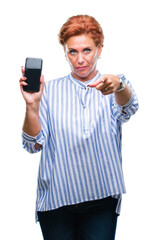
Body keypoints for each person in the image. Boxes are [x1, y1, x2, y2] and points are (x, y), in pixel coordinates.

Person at [20, 15, 139, 240]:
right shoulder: (49, 91)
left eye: (87, 50)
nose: (80, 59)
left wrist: (119, 85)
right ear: (65, 52)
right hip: (56, 200)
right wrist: (32, 106)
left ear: (99, 48)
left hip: (101, 200)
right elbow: (32, 145)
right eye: (73, 52)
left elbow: (130, 107)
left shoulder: (113, 84)